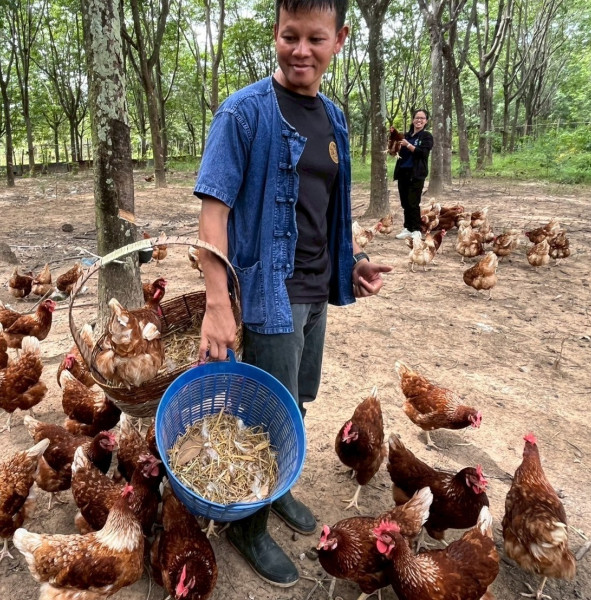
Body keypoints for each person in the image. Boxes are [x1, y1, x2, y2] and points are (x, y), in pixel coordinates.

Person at [193, 0, 392, 588]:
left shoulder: (334, 118)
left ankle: (274, 490)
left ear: (339, 39)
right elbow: (212, 216)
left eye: (315, 39)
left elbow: (328, 208)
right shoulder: (243, 114)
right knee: (259, 416)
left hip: (314, 291)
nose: (300, 50)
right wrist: (218, 303)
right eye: (289, 36)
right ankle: (247, 525)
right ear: (276, 33)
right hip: (266, 292)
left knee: (297, 400)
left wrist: (351, 263)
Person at [394, 109, 434, 239]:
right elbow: (397, 152)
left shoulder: (426, 136)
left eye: (422, 118)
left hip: (416, 173)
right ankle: (407, 228)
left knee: (413, 202)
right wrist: (395, 146)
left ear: (426, 121)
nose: (419, 120)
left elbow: (423, 153)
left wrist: (408, 145)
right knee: (405, 202)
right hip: (403, 172)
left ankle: (416, 229)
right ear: (413, 120)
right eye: (417, 118)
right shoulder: (406, 136)